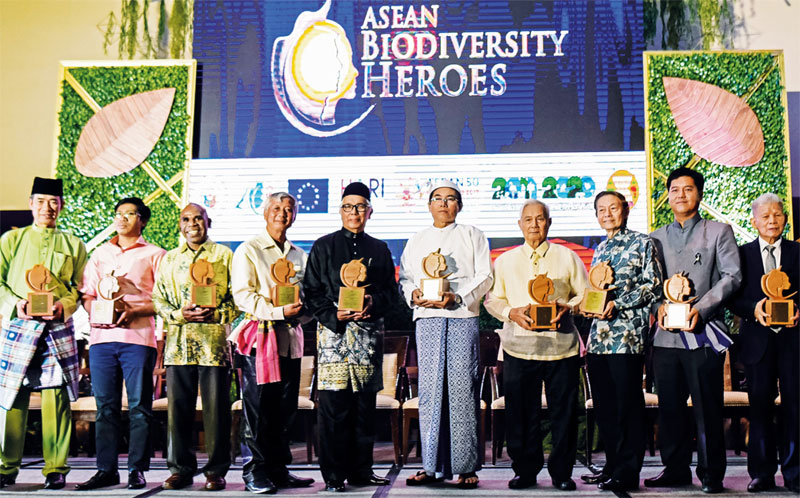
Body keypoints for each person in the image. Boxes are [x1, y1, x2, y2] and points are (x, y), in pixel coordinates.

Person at [647, 167, 741, 494]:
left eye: (688, 189)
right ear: (668, 196)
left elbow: (732, 276)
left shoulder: (718, 231)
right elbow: (649, 284)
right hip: (666, 338)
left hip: (704, 334)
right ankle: (675, 470)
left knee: (707, 408)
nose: (681, 195)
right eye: (674, 190)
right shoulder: (655, 237)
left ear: (699, 194)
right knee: (670, 409)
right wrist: (657, 307)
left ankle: (712, 474)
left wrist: (701, 309)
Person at [484, 199, 589, 491]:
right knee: (519, 413)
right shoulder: (504, 261)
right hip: (518, 347)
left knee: (564, 414)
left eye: (540, 219)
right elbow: (492, 300)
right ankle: (525, 471)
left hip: (562, 348)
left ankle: (562, 473)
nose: (534, 225)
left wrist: (568, 307)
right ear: (520, 224)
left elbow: (586, 294)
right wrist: (512, 313)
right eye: (528, 219)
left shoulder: (568, 257)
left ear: (549, 222)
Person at [302, 182, 398, 492]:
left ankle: (361, 471)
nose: (354, 212)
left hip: (367, 339)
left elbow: (391, 293)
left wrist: (372, 303)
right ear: (340, 211)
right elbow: (311, 292)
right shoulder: (323, 246)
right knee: (334, 408)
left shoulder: (379, 249)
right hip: (334, 338)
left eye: (359, 206)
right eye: (348, 206)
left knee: (364, 409)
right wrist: (333, 316)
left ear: (369, 211)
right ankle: (333, 475)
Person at [399, 180, 492, 489]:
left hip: (461, 316)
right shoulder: (417, 239)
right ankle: (430, 466)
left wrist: (458, 296)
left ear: (459, 206)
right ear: (429, 205)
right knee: (429, 392)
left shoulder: (473, 235)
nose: (443, 203)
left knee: (462, 390)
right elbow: (406, 277)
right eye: (437, 198)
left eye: (450, 199)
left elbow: (485, 276)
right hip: (428, 318)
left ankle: (465, 467)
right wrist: (413, 294)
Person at [0, 177, 87, 490]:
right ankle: (6, 467)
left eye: (53, 202)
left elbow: (80, 289)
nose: (47, 208)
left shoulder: (74, 244)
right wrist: (16, 304)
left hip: (57, 326)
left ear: (61, 206)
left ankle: (55, 468)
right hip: (19, 325)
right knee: (12, 395)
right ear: (30, 204)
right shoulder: (12, 240)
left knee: (56, 396)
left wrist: (64, 306)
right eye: (40, 201)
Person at [76, 197, 165, 490]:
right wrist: (99, 312)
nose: (122, 218)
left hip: (137, 339)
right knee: (105, 407)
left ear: (143, 220)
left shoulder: (156, 254)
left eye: (130, 213)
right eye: (118, 213)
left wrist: (135, 310)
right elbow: (88, 294)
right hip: (102, 341)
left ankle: (137, 469)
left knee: (140, 407)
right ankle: (106, 470)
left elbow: (164, 300)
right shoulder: (100, 253)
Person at [231, 192, 315, 493]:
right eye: (277, 208)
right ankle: (254, 471)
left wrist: (303, 312)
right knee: (258, 410)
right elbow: (243, 296)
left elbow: (308, 299)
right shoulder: (249, 250)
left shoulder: (300, 255)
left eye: (289, 209)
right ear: (265, 212)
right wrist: (279, 311)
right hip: (260, 341)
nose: (283, 213)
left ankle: (279, 469)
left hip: (290, 340)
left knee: (285, 410)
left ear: (295, 216)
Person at [152, 203, 239, 491]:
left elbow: (237, 299)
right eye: (186, 219)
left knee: (217, 411)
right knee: (178, 411)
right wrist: (179, 314)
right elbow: (158, 300)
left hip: (214, 345)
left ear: (208, 221)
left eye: (198, 218)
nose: (192, 224)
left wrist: (217, 314)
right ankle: (180, 470)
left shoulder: (224, 256)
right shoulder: (169, 259)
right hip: (178, 345)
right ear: (180, 225)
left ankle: (216, 471)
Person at [578, 191, 660, 492]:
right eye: (601, 210)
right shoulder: (600, 249)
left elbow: (653, 287)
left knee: (627, 406)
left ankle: (627, 471)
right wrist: (589, 306)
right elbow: (597, 291)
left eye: (613, 208)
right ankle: (611, 466)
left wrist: (619, 303)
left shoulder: (642, 242)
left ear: (625, 210)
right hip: (599, 338)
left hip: (627, 336)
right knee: (605, 407)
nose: (607, 214)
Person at [729, 193, 798, 493]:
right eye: (765, 216)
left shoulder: (797, 252)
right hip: (757, 342)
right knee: (759, 409)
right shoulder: (741, 254)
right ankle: (761, 473)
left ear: (785, 219)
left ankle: (795, 472)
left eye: (777, 215)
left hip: (794, 342)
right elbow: (732, 296)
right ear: (754, 221)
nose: (772, 221)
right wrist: (753, 310)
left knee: (796, 407)